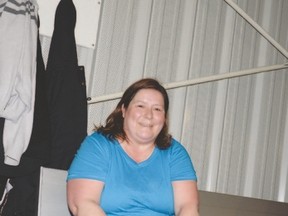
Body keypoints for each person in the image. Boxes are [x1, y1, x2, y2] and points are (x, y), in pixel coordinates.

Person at [67, 78, 199, 216]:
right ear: (124, 110)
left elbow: (187, 208)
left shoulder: (175, 153)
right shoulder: (98, 146)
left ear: (164, 118)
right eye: (140, 106)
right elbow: (84, 204)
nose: (149, 115)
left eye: (157, 109)